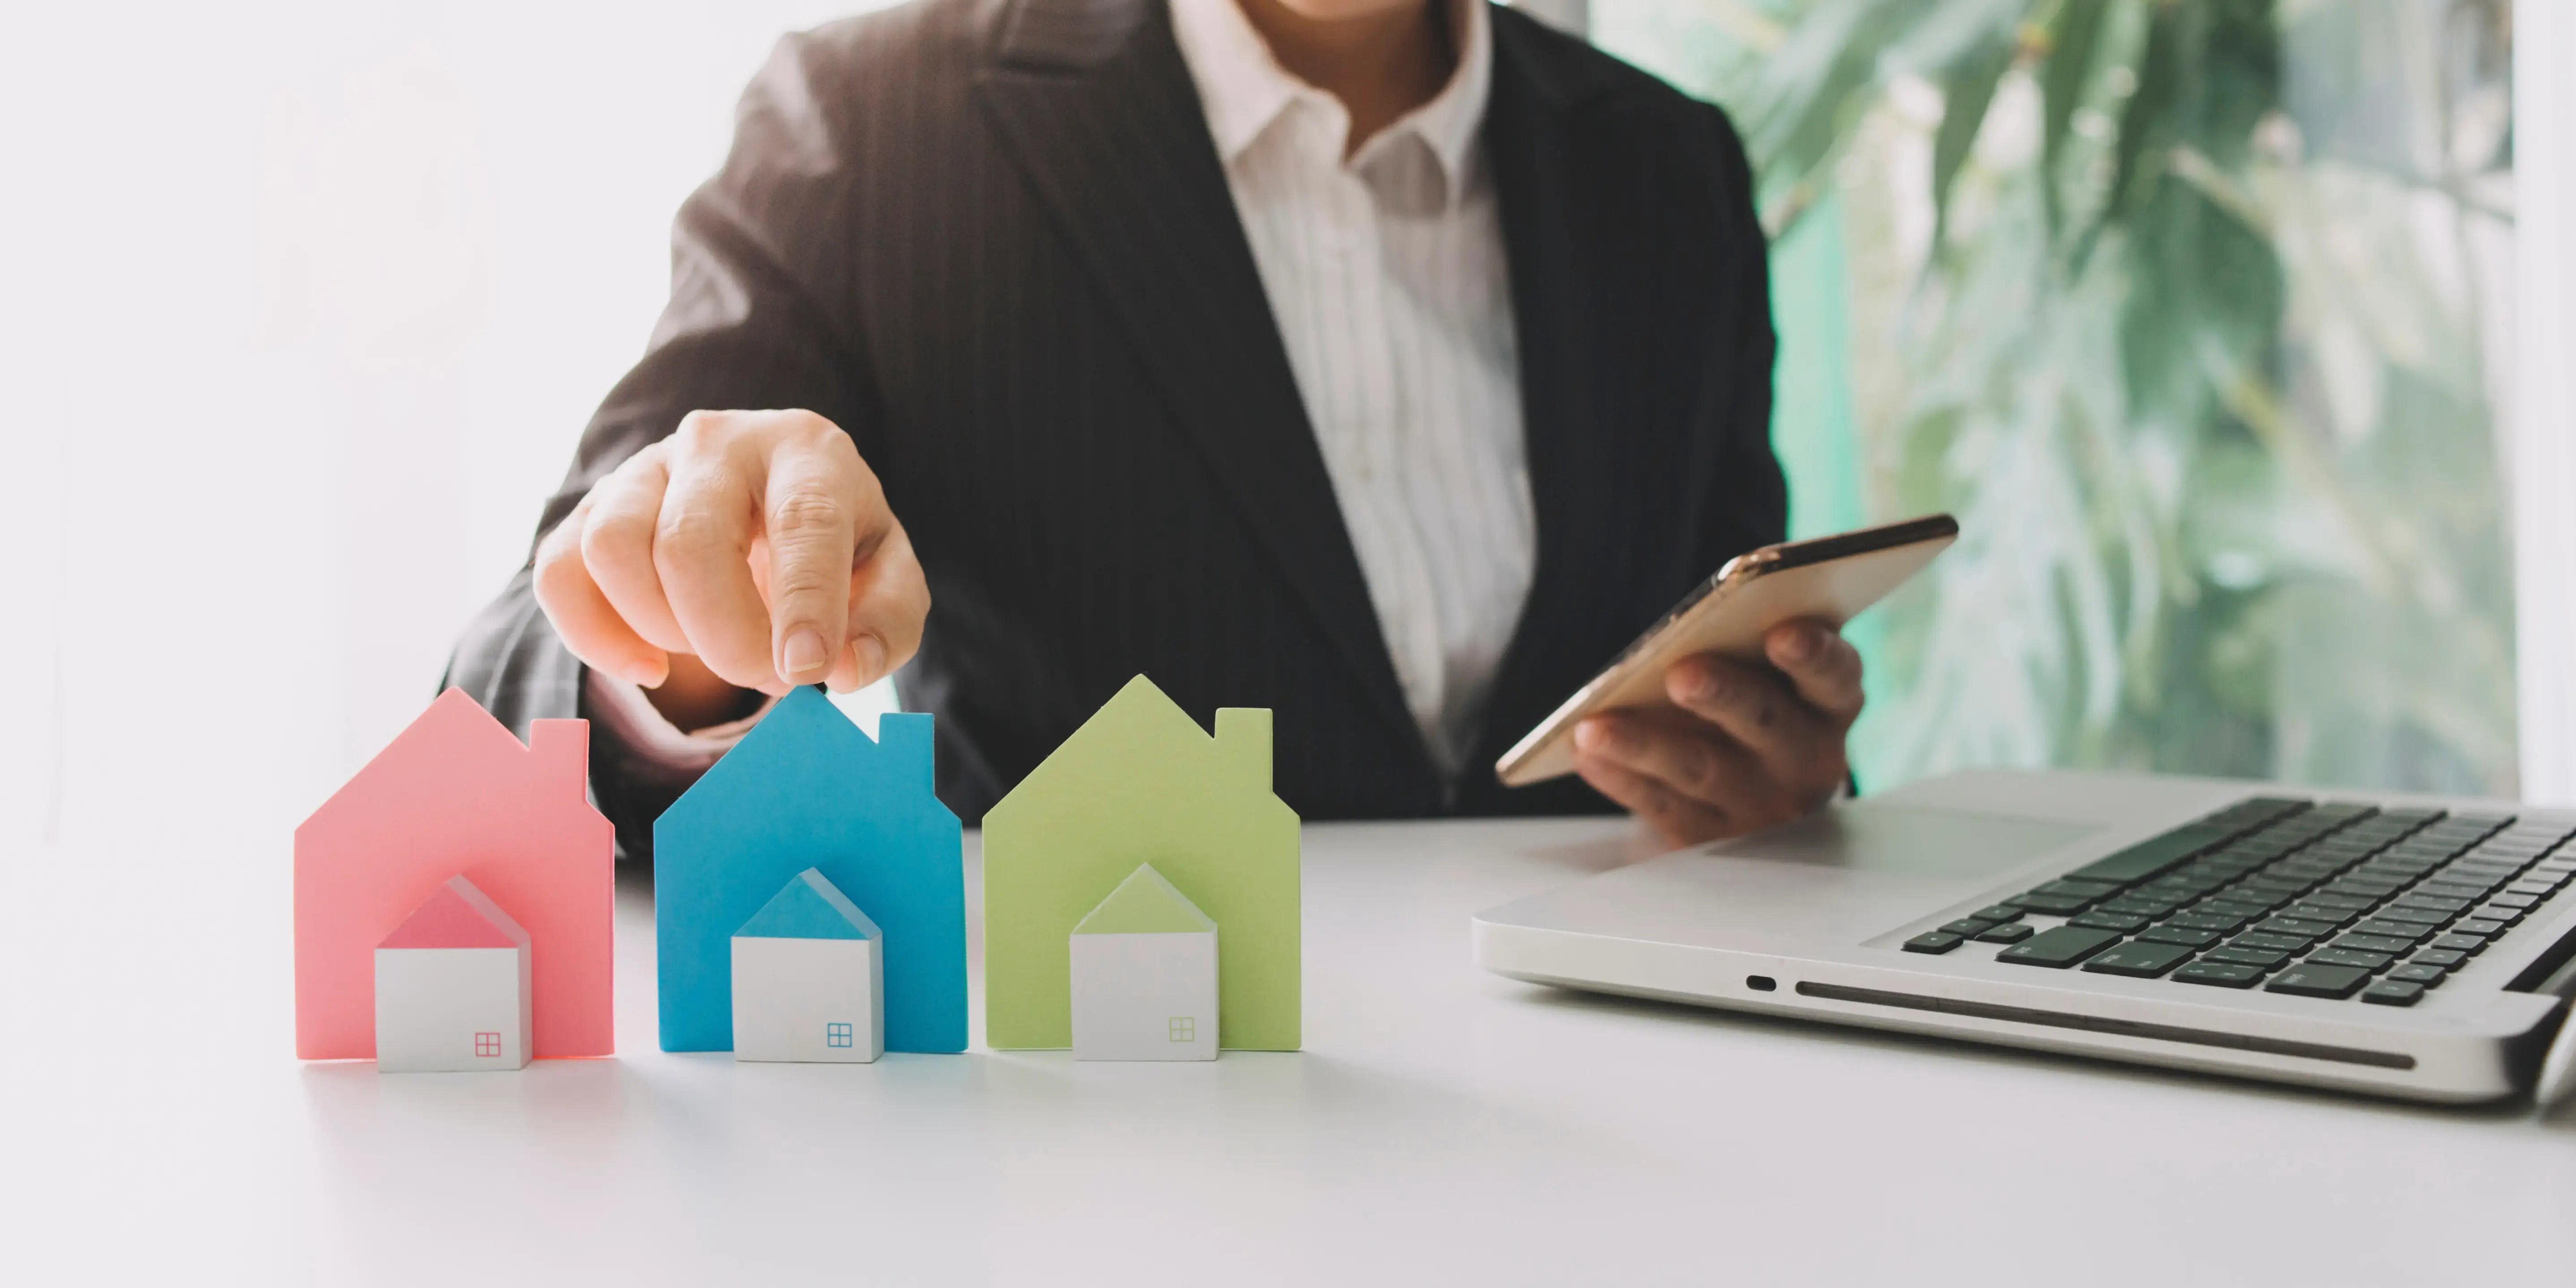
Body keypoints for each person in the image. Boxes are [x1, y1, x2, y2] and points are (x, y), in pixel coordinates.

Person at [445, 0, 1865, 858]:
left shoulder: (1670, 168)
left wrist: (1780, 772)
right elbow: (522, 675)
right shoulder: (880, 125)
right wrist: (689, 640)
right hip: (1116, 1099)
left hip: (1619, 1113)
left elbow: (1741, 671)